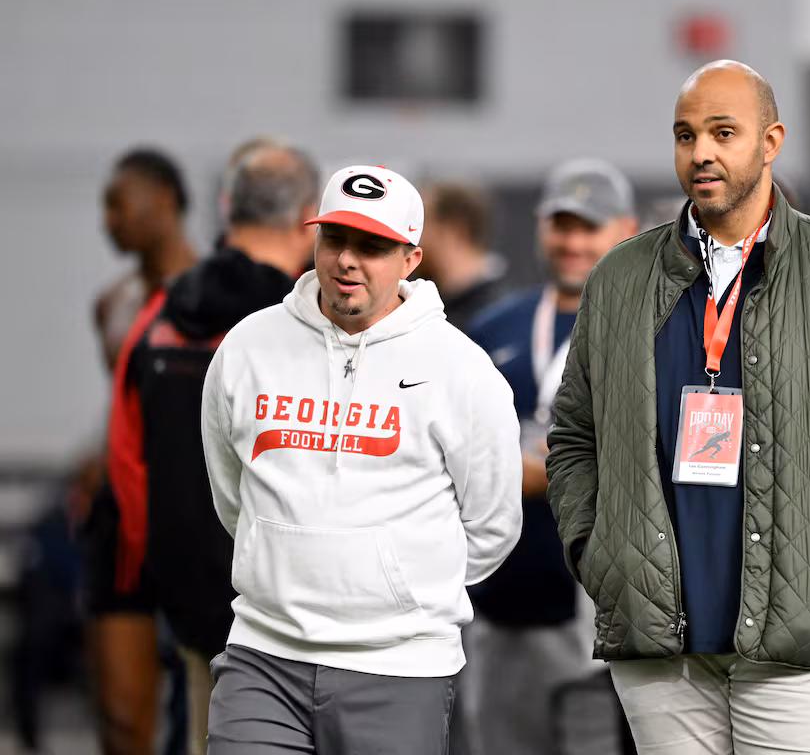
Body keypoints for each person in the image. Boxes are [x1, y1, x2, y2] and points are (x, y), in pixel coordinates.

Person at [546, 60, 810, 755]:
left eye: (723, 132)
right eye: (686, 135)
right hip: (659, 643)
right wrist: (598, 556)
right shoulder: (620, 278)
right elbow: (575, 435)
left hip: (802, 644)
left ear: (771, 141)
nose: (702, 152)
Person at [201, 165, 523, 754]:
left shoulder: (461, 369)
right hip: (263, 655)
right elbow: (233, 493)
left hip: (399, 667)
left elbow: (493, 524)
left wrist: (400, 590)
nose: (347, 260)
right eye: (335, 239)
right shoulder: (248, 346)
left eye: (371, 246)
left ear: (410, 259)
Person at [114, 142, 321, 755]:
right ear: (309, 213)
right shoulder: (308, 328)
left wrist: (160, 576)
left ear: (228, 206)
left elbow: (127, 464)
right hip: (294, 618)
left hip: (189, 604)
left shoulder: (157, 317)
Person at [464, 159, 637, 755]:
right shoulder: (492, 328)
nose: (572, 243)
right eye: (561, 226)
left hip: (591, 616)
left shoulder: (649, 328)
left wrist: (540, 471)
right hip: (494, 604)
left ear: (624, 227)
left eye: (588, 228)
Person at [87, 147, 199, 755]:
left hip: (194, 510)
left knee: (202, 705)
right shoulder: (113, 306)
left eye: (117, 203)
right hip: (123, 518)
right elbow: (128, 409)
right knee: (122, 718)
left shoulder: (219, 294)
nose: (108, 221)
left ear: (163, 202)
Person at [413, 181, 509, 332]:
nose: (413, 239)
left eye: (421, 225)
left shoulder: (501, 312)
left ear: (454, 230)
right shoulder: (417, 304)